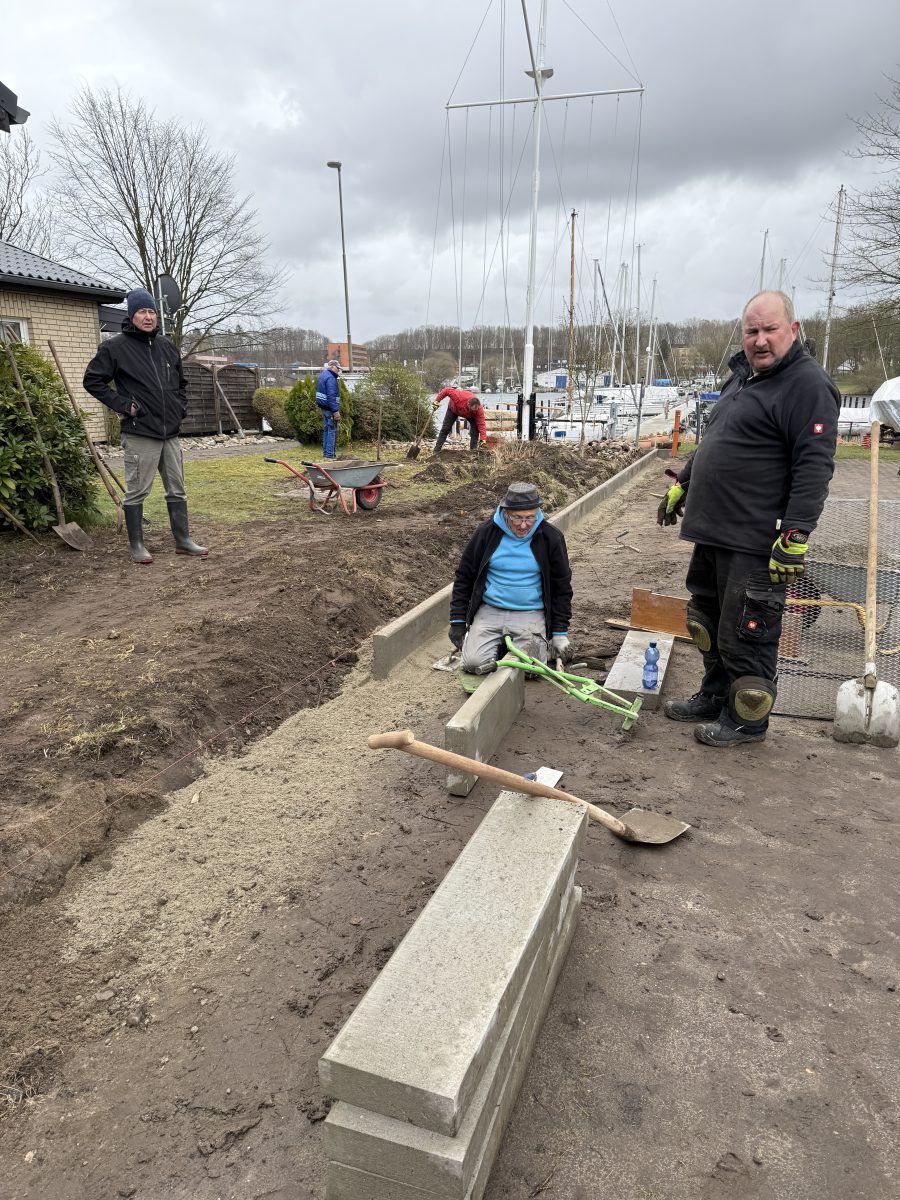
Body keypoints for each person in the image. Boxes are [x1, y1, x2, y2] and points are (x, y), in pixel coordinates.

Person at [657, 290, 839, 747]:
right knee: (706, 620)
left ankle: (746, 721)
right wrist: (684, 481)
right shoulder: (741, 378)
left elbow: (814, 466)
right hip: (714, 530)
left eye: (769, 329)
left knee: (747, 631)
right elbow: (717, 439)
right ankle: (715, 695)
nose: (760, 340)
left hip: (755, 540)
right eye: (752, 330)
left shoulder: (807, 385)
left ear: (793, 329)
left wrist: (796, 534)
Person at [83, 287, 207, 565]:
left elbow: (181, 384)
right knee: (137, 490)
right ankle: (137, 545)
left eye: (152, 311)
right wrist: (124, 405)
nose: (148, 317)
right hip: (140, 432)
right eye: (142, 312)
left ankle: (183, 540)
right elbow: (92, 381)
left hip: (170, 433)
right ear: (132, 316)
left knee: (177, 489)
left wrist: (180, 408)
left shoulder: (167, 346)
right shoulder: (115, 348)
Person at [449, 481, 572, 674]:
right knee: (473, 665)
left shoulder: (550, 537)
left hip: (530, 612)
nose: (524, 525)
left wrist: (559, 633)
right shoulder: (486, 533)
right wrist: (457, 621)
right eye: (517, 518)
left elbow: (561, 587)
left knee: (530, 670)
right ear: (506, 513)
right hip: (491, 609)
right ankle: (499, 645)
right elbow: (464, 577)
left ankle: (526, 646)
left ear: (537, 513)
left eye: (530, 518)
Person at [433, 386, 488, 452]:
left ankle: (473, 451)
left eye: (475, 410)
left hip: (470, 416)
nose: (474, 411)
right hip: (453, 410)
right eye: (473, 410)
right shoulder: (458, 397)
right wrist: (437, 401)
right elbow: (447, 390)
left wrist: (483, 439)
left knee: (475, 431)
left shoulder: (478, 410)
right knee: (445, 428)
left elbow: (481, 424)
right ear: (468, 404)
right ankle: (436, 450)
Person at [315, 359, 342, 459]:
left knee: (326, 430)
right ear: (332, 367)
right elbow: (331, 396)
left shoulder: (323, 375)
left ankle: (325, 453)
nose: (339, 370)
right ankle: (330, 454)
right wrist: (335, 411)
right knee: (332, 430)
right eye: (337, 368)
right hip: (330, 408)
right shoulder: (331, 378)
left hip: (323, 407)